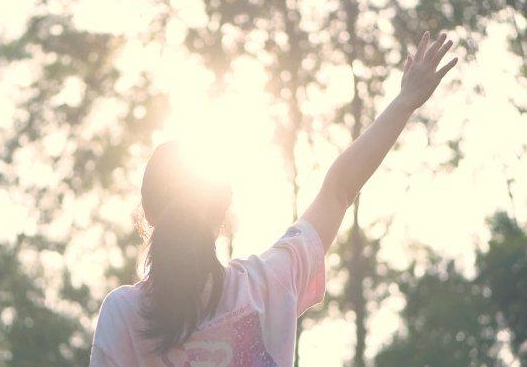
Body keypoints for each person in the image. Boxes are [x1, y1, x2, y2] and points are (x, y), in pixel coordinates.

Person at [89, 31, 458, 367]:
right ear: (222, 212)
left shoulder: (123, 313)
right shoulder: (267, 284)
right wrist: (405, 102)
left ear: (148, 213)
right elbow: (340, 189)